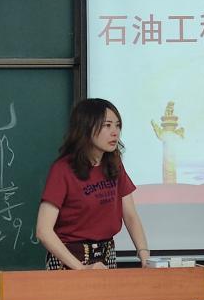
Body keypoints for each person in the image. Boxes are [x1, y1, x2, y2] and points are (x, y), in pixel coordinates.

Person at [35, 98, 150, 270]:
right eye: (107, 125)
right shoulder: (63, 169)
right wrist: (81, 269)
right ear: (86, 128)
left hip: (106, 256)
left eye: (118, 125)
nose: (115, 132)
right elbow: (43, 231)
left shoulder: (114, 164)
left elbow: (130, 215)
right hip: (69, 260)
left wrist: (144, 254)